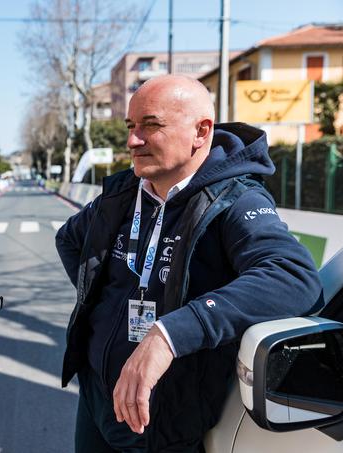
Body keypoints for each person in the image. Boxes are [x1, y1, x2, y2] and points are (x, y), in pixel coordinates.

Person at [55, 75, 323, 452]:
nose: (133, 140)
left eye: (151, 125)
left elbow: (292, 278)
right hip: (97, 400)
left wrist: (169, 334)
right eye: (131, 127)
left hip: (165, 420)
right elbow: (69, 239)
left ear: (201, 131)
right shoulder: (122, 194)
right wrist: (103, 309)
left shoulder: (235, 200)